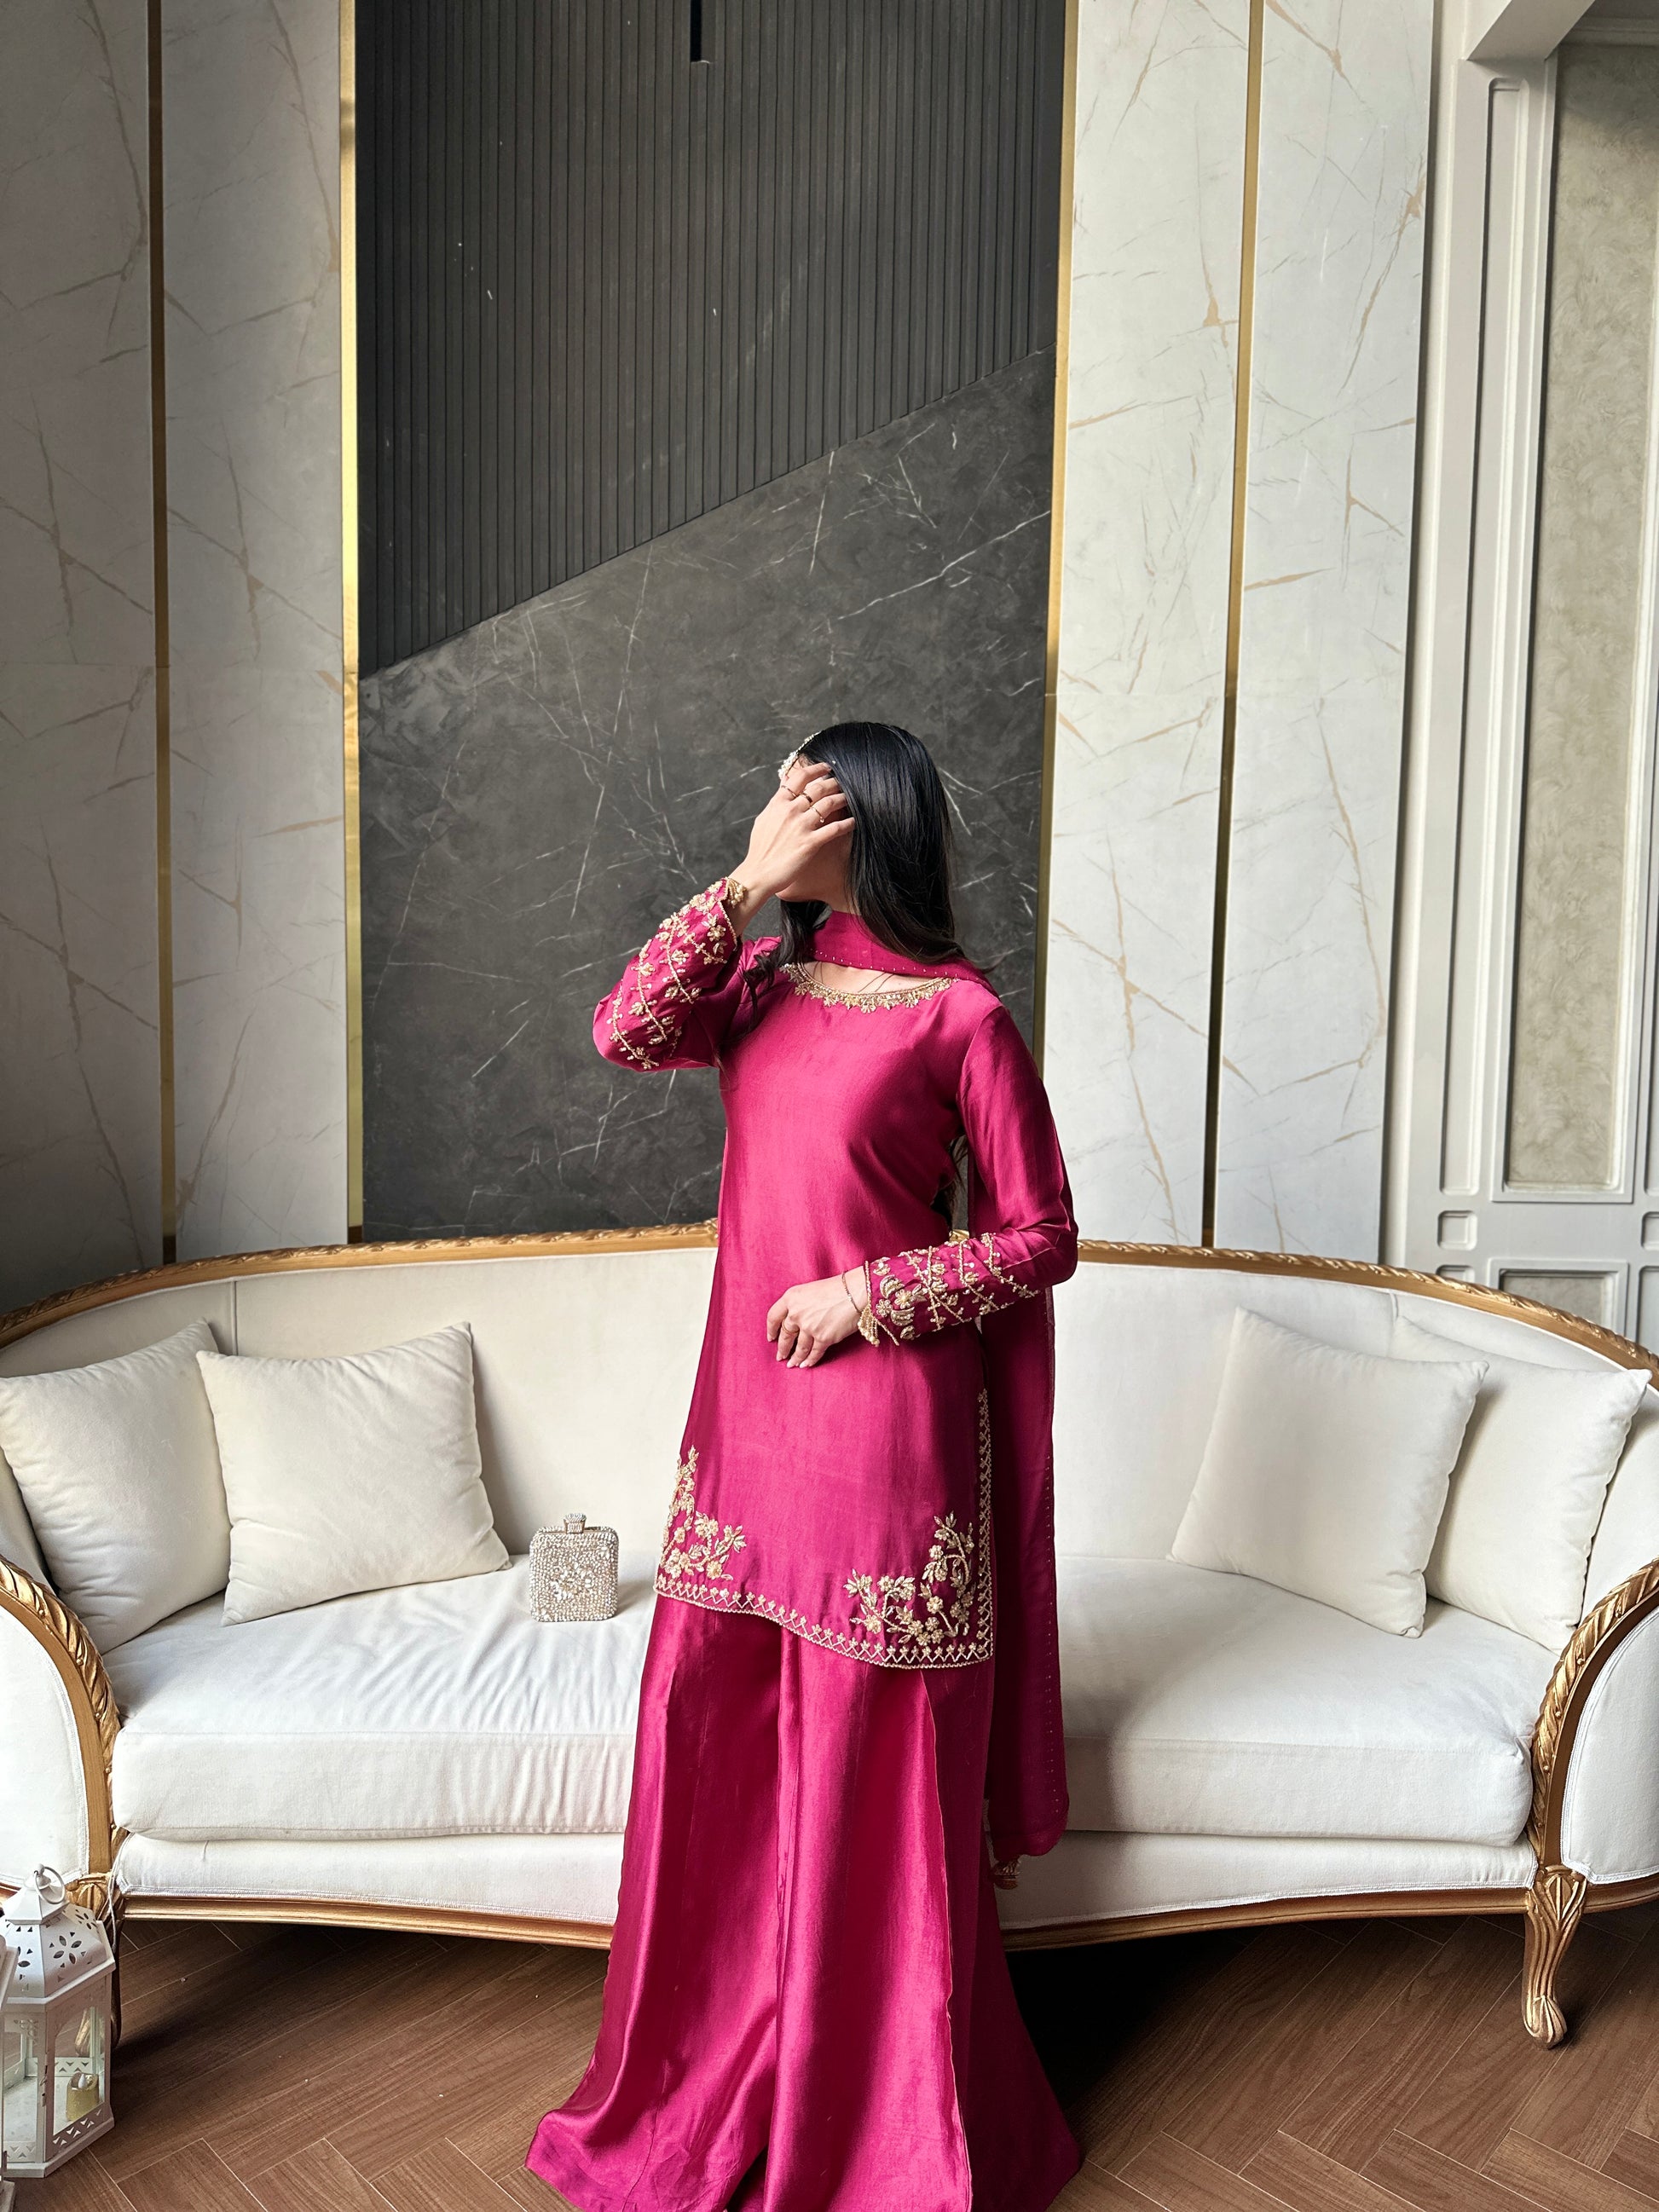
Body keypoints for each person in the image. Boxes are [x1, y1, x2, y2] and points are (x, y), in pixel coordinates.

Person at [526, 721, 1081, 2212]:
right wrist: (739, 880)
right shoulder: (758, 990)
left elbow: (1043, 1236)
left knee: (874, 1792)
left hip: (890, 1450)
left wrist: (866, 1294)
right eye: (773, 793)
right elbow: (622, 1028)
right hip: (748, 1440)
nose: (774, 809)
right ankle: (729, 2083)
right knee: (719, 1757)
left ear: (865, 818)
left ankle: (883, 2128)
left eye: (799, 792)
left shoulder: (961, 1019)